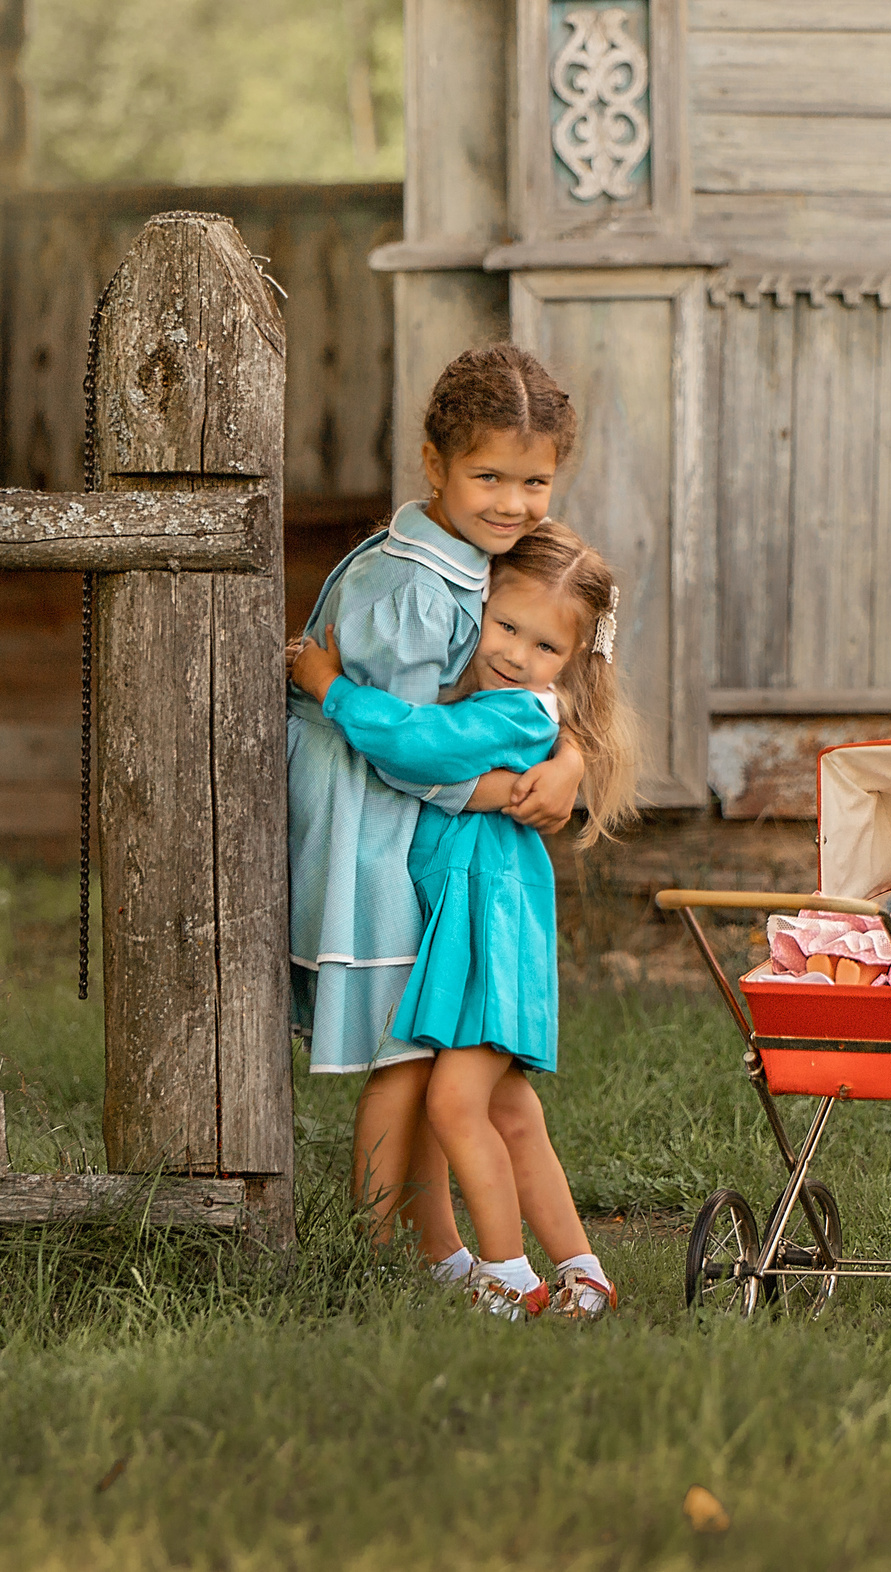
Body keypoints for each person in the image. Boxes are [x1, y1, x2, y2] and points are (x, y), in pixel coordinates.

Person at [285, 344, 586, 1282]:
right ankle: (379, 1250)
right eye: (486, 475)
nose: (511, 501)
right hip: (369, 824)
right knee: (404, 1055)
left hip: (411, 824)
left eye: (533, 480)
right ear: (435, 464)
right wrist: (501, 791)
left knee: (418, 1048)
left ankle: (437, 1250)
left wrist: (567, 758)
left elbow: (539, 694)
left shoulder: (481, 563)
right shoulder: (418, 584)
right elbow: (407, 743)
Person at [290, 520, 640, 1318]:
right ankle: (583, 1270)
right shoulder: (498, 700)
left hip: (491, 931)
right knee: (510, 1113)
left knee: (454, 1103)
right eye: (506, 625)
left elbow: (418, 744)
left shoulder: (517, 714)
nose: (516, 653)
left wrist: (328, 687)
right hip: (469, 930)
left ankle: (507, 1273)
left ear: (573, 665)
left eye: (544, 646)